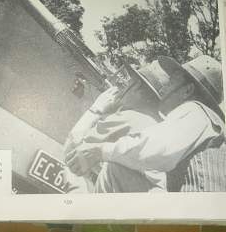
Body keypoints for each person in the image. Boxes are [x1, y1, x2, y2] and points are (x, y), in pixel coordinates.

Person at [71, 55, 225, 192]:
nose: (164, 88)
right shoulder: (208, 122)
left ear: (187, 90)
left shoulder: (197, 111)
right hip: (199, 210)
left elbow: (155, 148)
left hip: (194, 212)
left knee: (115, 168)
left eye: (171, 82)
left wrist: (100, 151)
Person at [64, 60, 172, 192]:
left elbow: (71, 147)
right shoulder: (156, 126)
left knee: (72, 171)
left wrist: (96, 108)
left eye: (127, 82)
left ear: (136, 86)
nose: (122, 88)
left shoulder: (129, 118)